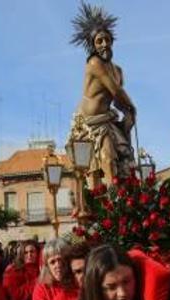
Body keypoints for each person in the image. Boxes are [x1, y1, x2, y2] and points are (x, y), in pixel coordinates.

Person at [68, 3, 137, 181]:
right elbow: (115, 90)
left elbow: (116, 100)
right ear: (93, 45)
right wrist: (132, 107)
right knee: (105, 161)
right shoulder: (94, 63)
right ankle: (106, 204)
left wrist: (127, 113)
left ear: (112, 41)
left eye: (107, 39)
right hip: (88, 124)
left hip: (107, 120)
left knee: (123, 158)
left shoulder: (118, 71)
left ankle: (120, 202)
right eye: (99, 41)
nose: (104, 44)